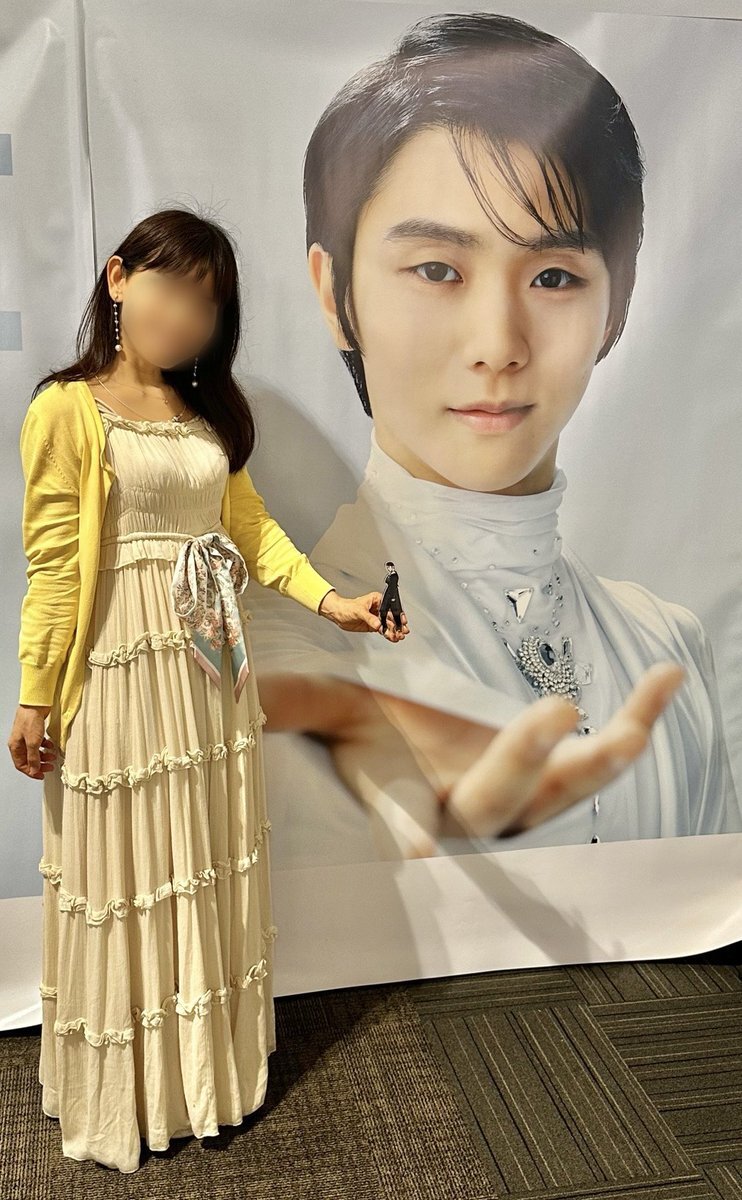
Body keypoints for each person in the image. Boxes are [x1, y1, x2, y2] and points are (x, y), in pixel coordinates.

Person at [245, 11, 740, 862]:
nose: (498, 346)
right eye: (438, 270)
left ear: (615, 305)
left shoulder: (667, 645)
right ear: (335, 294)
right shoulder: (269, 650)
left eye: (553, 276)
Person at [6, 207, 410, 1173]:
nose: (185, 316)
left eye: (206, 304)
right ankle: (132, 1092)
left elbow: (250, 530)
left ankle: (202, 1080)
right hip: (117, 673)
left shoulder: (206, 414)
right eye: (171, 289)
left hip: (207, 674)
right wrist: (34, 695)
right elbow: (55, 567)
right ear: (117, 280)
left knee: (202, 855)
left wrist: (334, 604)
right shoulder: (65, 409)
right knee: (127, 871)